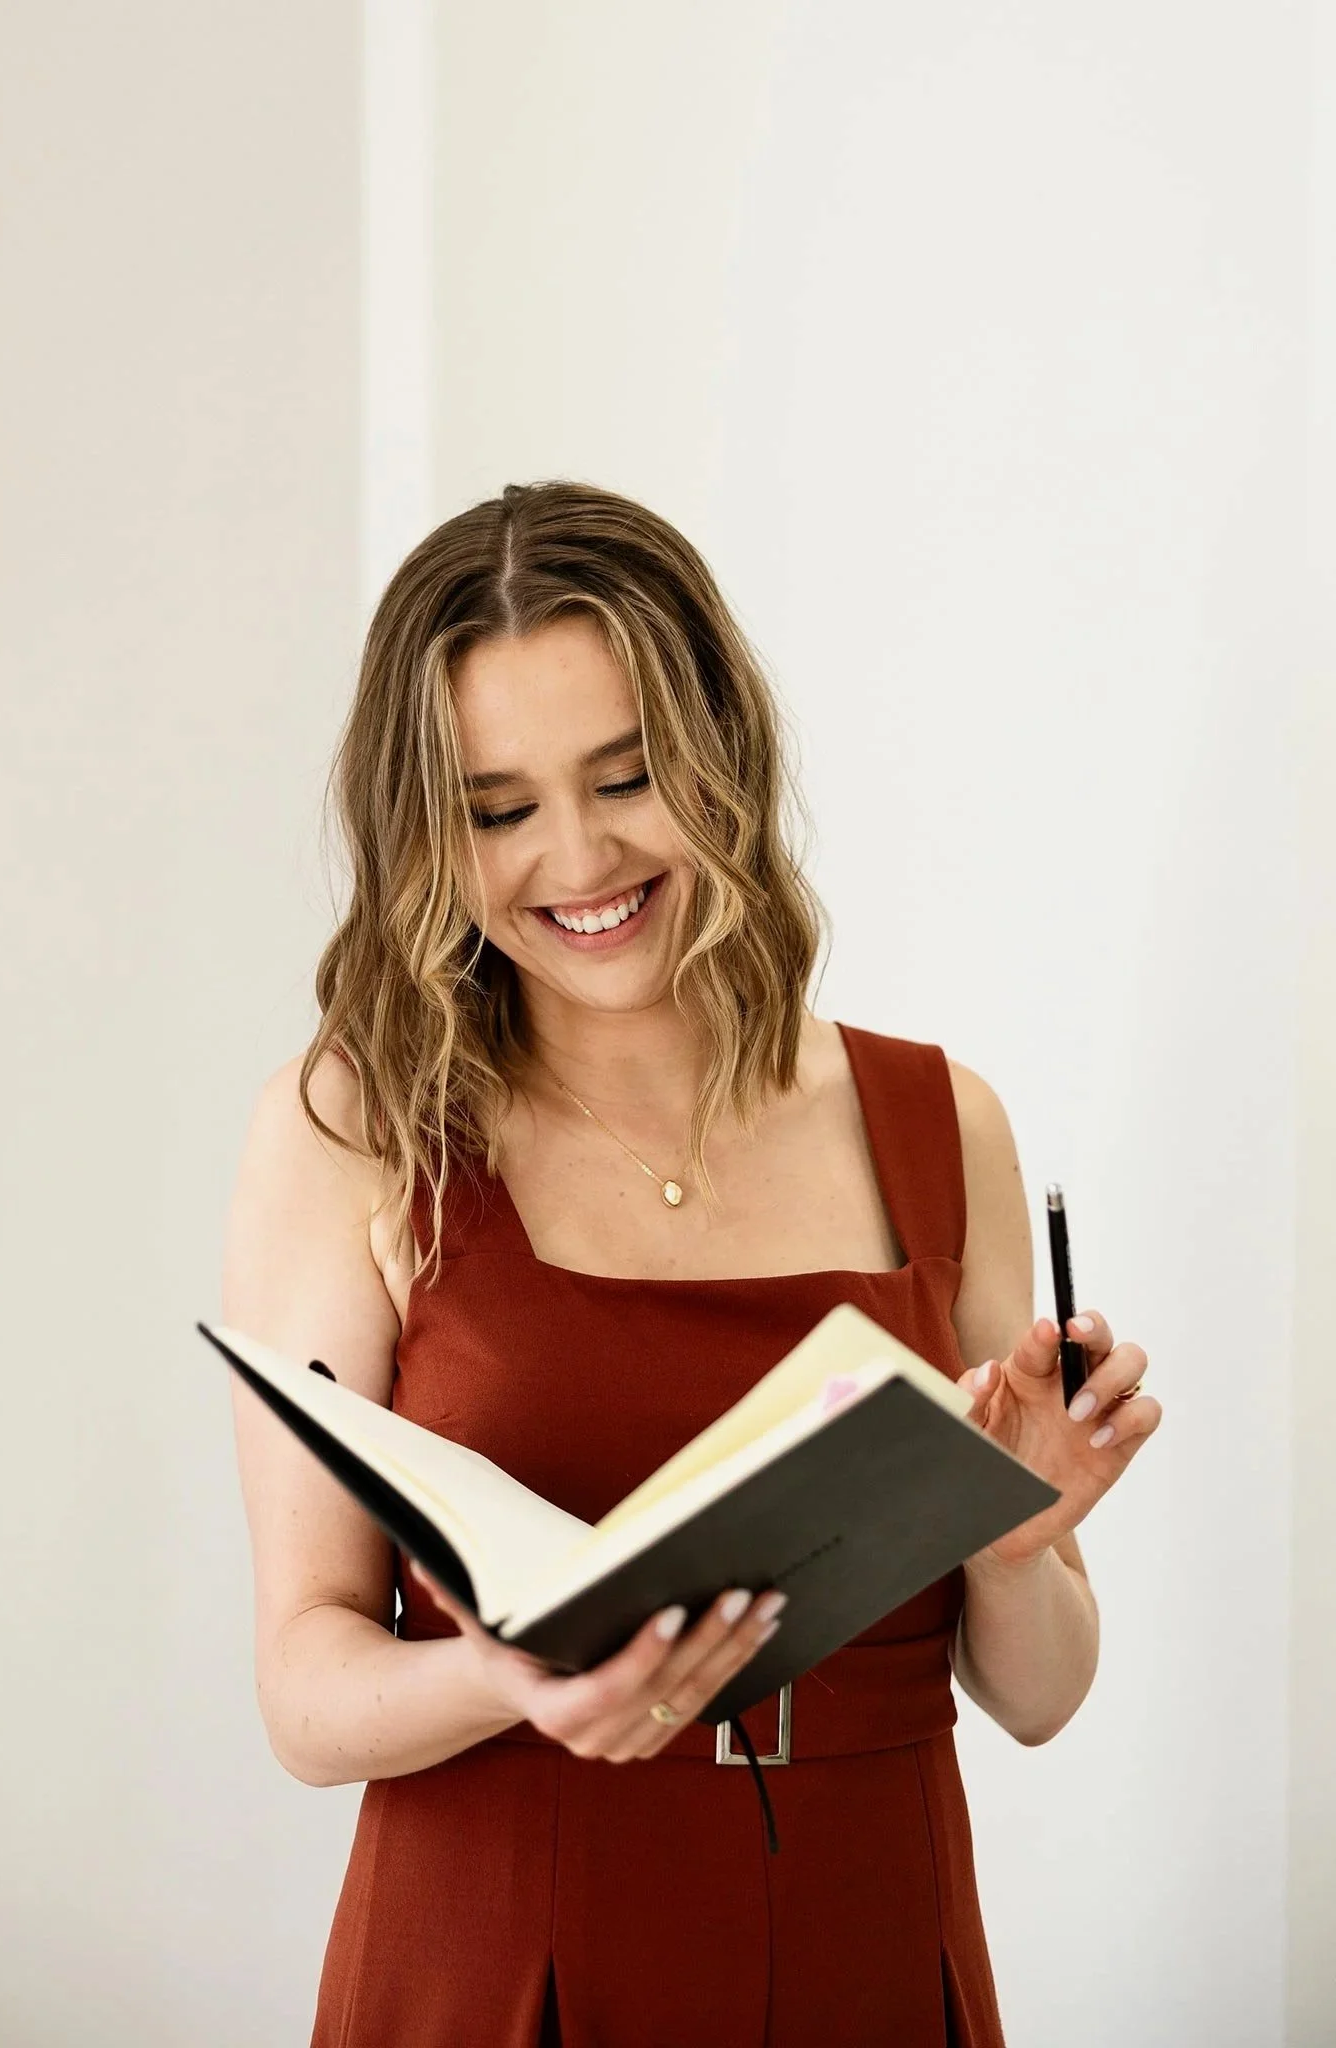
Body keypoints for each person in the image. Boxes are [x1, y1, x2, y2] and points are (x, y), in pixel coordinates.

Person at [221, 479, 1162, 2048]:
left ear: (722, 756)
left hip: (879, 1929)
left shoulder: (942, 1123)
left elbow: (1041, 1697)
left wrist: (1018, 1536)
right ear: (424, 831)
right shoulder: (355, 1127)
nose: (577, 858)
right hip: (497, 1946)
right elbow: (306, 1696)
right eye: (498, 807)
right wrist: (516, 1684)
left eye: (628, 775)